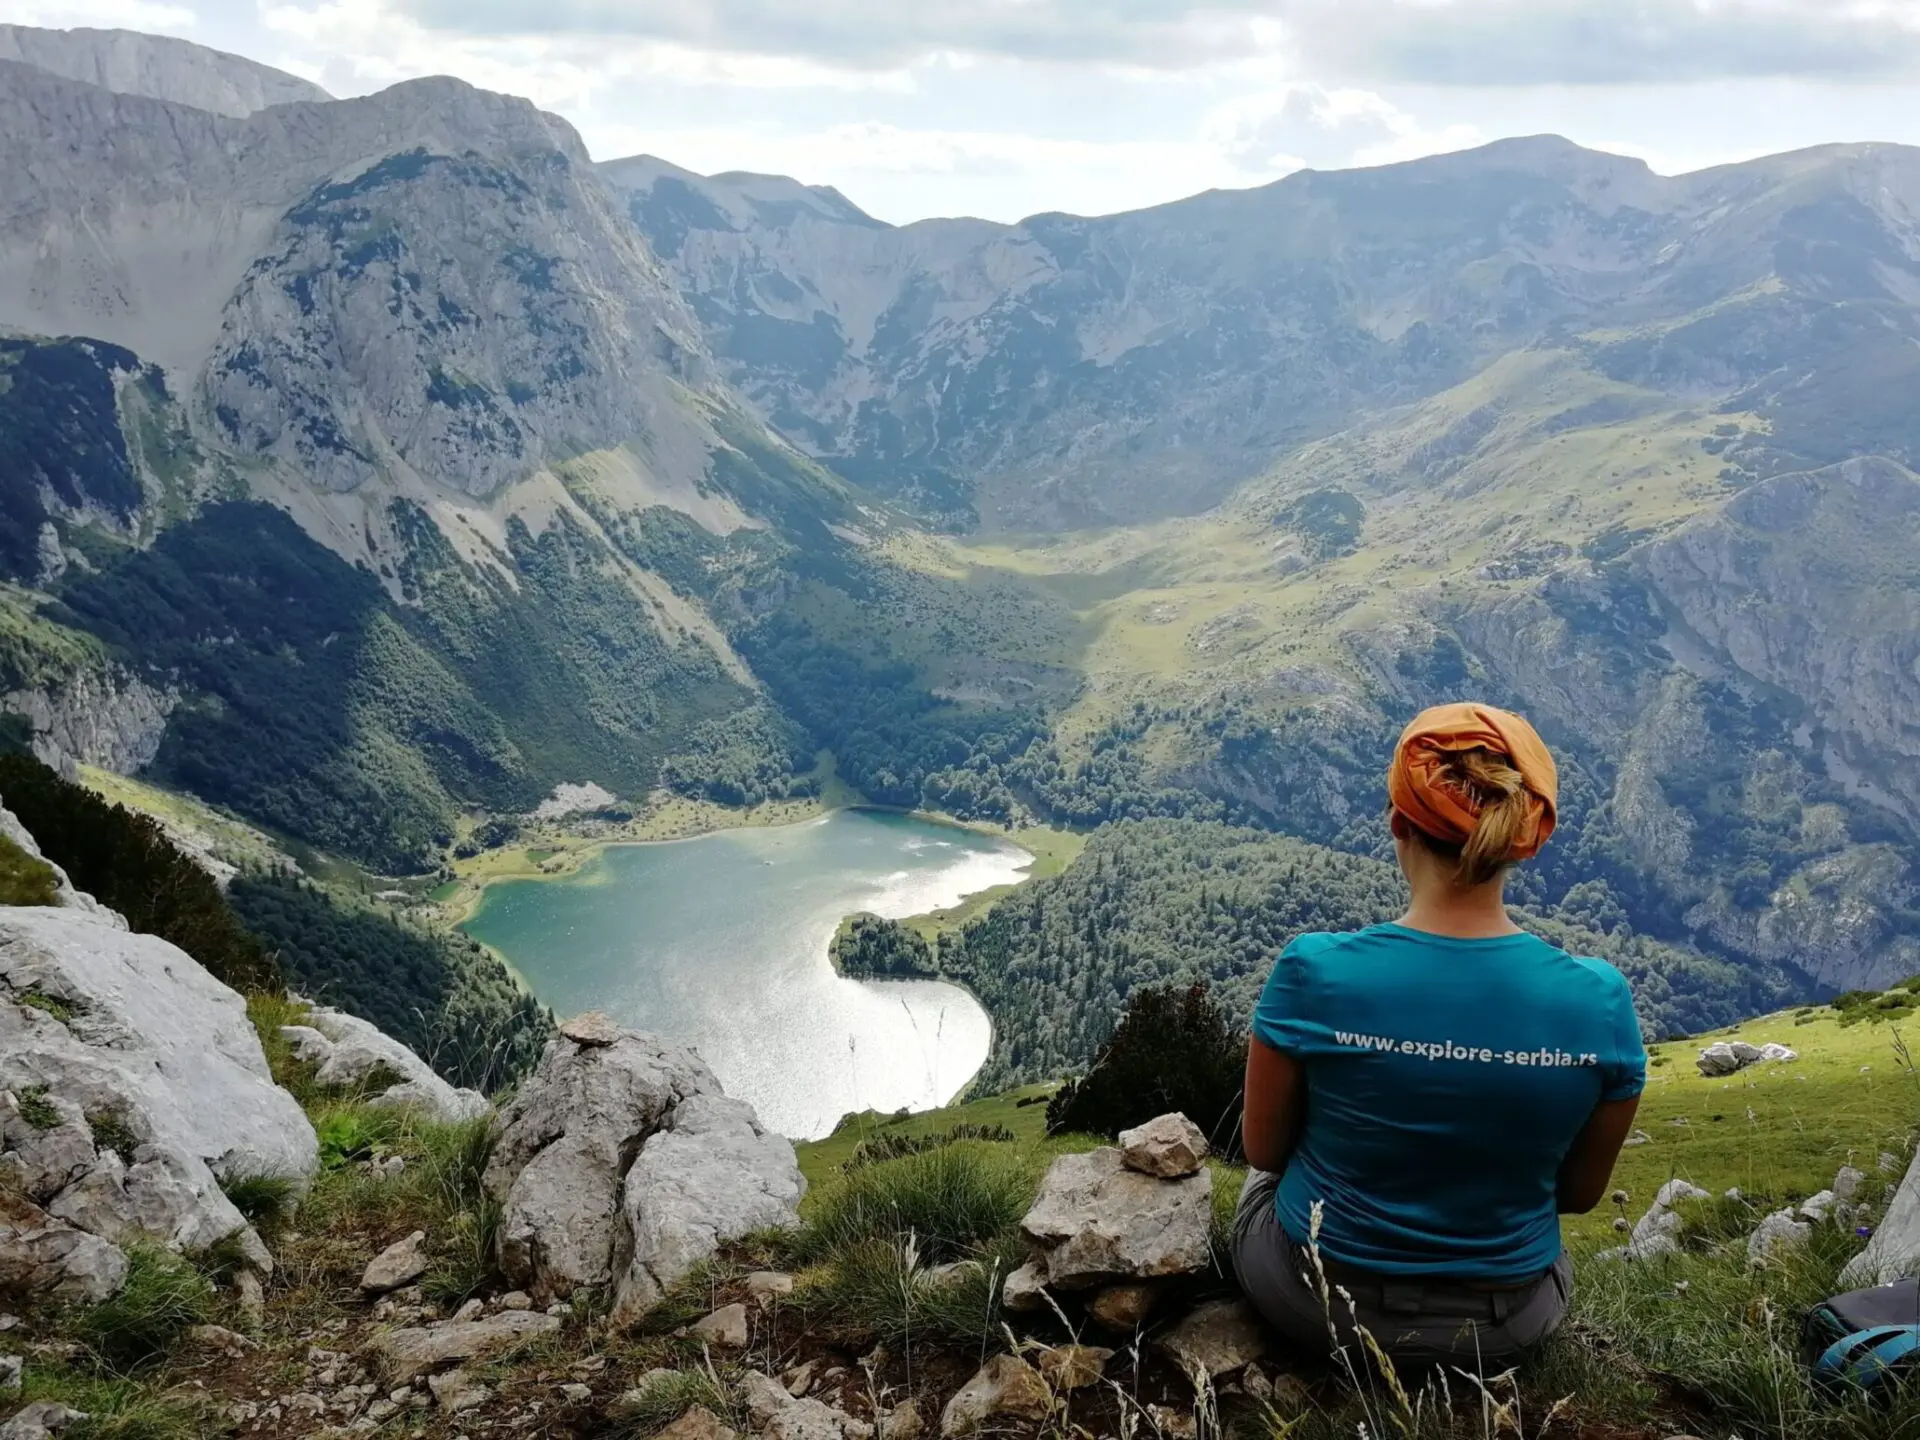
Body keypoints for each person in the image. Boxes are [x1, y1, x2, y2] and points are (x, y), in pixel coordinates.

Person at [1232, 702, 1647, 1369]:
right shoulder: (1601, 1000)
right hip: (1505, 1325)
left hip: (1317, 1306)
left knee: (1259, 1179)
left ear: (1397, 822)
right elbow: (1577, 1196)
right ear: (1524, 838)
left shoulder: (1316, 968)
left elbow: (1266, 1148)